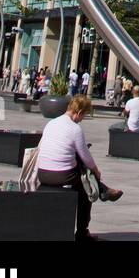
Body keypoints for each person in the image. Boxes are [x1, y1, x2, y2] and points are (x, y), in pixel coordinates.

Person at [37, 94, 123, 242]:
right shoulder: (74, 129)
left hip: (43, 173)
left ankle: (104, 191)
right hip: (61, 175)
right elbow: (86, 158)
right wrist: (97, 172)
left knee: (82, 170)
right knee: (87, 184)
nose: (82, 119)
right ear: (79, 112)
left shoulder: (51, 123)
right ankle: (83, 231)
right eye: (83, 116)